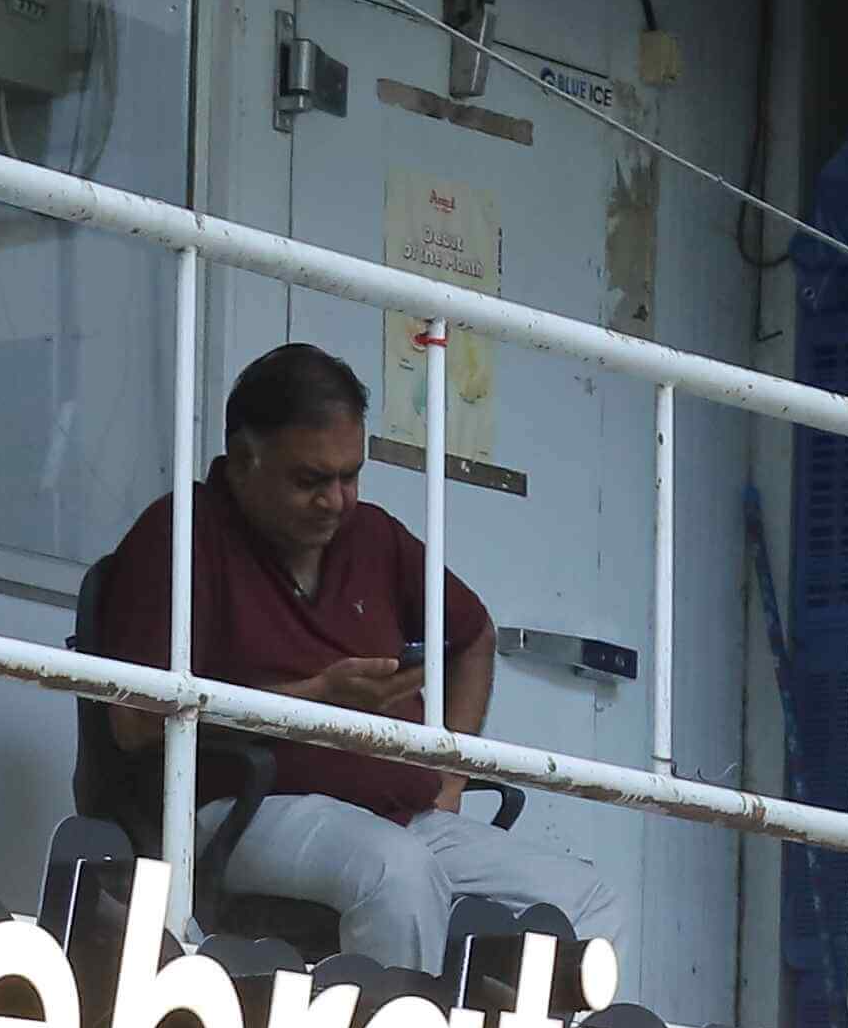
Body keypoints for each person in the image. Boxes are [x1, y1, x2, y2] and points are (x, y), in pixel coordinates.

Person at [74, 341, 626, 974]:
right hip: (238, 809)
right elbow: (135, 722)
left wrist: (448, 775)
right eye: (310, 480)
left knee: (588, 903)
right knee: (397, 872)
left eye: (350, 476)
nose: (335, 501)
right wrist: (317, 699)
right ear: (245, 460)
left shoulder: (373, 535)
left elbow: (474, 636)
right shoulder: (181, 531)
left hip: (402, 816)